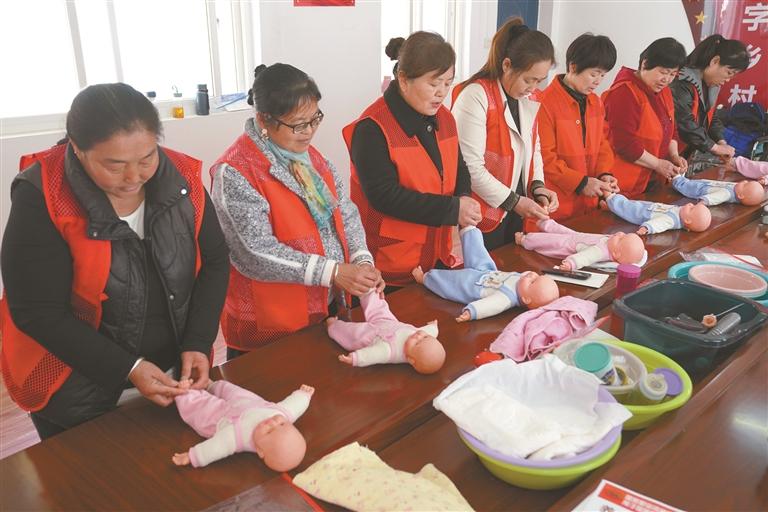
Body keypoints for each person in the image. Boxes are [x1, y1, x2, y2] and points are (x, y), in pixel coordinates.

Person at [0, 83, 229, 439]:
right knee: (94, 471)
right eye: (114, 165)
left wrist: (198, 341)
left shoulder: (181, 179)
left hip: (171, 373)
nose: (134, 177)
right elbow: (37, 311)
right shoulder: (43, 195)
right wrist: (129, 367)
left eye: (147, 158)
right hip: (74, 386)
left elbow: (215, 260)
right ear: (77, 149)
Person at [211, 64, 384, 357]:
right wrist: (333, 271)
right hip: (273, 321)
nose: (309, 132)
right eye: (298, 125)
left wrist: (361, 260)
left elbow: (345, 212)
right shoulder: (236, 171)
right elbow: (254, 253)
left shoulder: (310, 158)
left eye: (315, 119)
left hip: (325, 306)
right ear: (264, 119)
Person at [343, 32, 481, 287]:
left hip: (436, 257)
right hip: (389, 266)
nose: (441, 93)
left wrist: (464, 198)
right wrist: (452, 209)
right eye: (434, 84)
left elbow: (458, 167)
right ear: (404, 80)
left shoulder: (445, 118)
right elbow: (384, 195)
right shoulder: (372, 128)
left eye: (448, 83)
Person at [451, 17, 559, 250]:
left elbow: (533, 147)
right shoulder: (475, 96)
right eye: (528, 79)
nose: (533, 88)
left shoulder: (530, 97)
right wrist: (515, 201)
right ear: (507, 65)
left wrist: (538, 186)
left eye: (539, 81)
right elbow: (470, 168)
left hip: (516, 209)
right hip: (481, 214)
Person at [537, 34, 619, 220]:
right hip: (556, 206)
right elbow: (545, 158)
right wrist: (581, 183)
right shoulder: (545, 103)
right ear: (573, 67)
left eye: (603, 75)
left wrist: (604, 173)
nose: (598, 81)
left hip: (588, 204)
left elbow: (602, 144)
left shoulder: (596, 102)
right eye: (593, 74)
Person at [412, 225, 560, 322]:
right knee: (479, 252)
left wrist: (472, 312)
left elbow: (489, 306)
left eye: (533, 281)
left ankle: (426, 278)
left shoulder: (506, 298)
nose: (532, 275)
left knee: (451, 280)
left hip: (474, 284)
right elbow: (529, 276)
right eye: (538, 276)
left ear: (526, 299)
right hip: (487, 271)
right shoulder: (523, 284)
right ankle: (469, 230)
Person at [602, 38, 688, 198]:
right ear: (644, 63)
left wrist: (674, 155)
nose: (667, 79)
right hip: (622, 183)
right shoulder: (624, 93)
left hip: (650, 180)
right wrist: (658, 164)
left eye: (672, 74)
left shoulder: (664, 91)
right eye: (663, 72)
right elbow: (624, 145)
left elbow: (671, 129)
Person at [172, 380, 314, 471]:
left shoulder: (239, 437)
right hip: (245, 401)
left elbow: (216, 447)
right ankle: (211, 385)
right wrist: (303, 395)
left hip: (223, 417)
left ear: (260, 451)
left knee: (201, 412)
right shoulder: (283, 414)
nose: (273, 422)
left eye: (269, 431)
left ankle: (183, 393)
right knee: (230, 389)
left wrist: (193, 456)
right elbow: (294, 406)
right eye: (282, 424)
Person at [670, 35, 749, 160]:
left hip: (681, 156)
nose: (728, 80)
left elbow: (711, 118)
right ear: (715, 61)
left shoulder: (710, 86)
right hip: (665, 154)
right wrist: (715, 148)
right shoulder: (682, 82)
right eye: (729, 73)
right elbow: (684, 123)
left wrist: (721, 142)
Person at [327, 291, 445, 374]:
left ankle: (333, 326)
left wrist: (355, 358)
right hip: (387, 321)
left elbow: (372, 355)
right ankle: (367, 289)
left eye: (417, 343)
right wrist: (434, 326)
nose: (418, 335)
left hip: (371, 334)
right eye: (425, 337)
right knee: (378, 305)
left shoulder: (391, 351)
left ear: (410, 360)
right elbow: (431, 332)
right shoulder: (423, 335)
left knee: (351, 333)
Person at [514, 219, 645, 271]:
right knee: (558, 229)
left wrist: (571, 264)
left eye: (621, 239)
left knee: (550, 240)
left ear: (615, 254)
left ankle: (525, 240)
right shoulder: (612, 243)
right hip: (577, 236)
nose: (620, 234)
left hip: (569, 245)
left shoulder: (601, 251)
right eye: (624, 234)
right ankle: (542, 222)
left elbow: (585, 257)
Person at [602, 192, 711, 235]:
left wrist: (647, 228)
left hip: (642, 213)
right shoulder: (680, 213)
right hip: (649, 207)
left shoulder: (671, 220)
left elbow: (658, 224)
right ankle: (610, 207)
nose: (690, 204)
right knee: (632, 203)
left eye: (692, 208)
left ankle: (609, 196)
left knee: (627, 207)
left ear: (687, 220)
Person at [671, 175, 764, 206]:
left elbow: (714, 198)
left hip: (701, 190)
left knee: (688, 186)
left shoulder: (726, 194)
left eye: (745, 184)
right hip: (707, 184)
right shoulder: (738, 189)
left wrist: (702, 203)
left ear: (741, 196)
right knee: (693, 182)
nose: (744, 181)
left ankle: (675, 179)